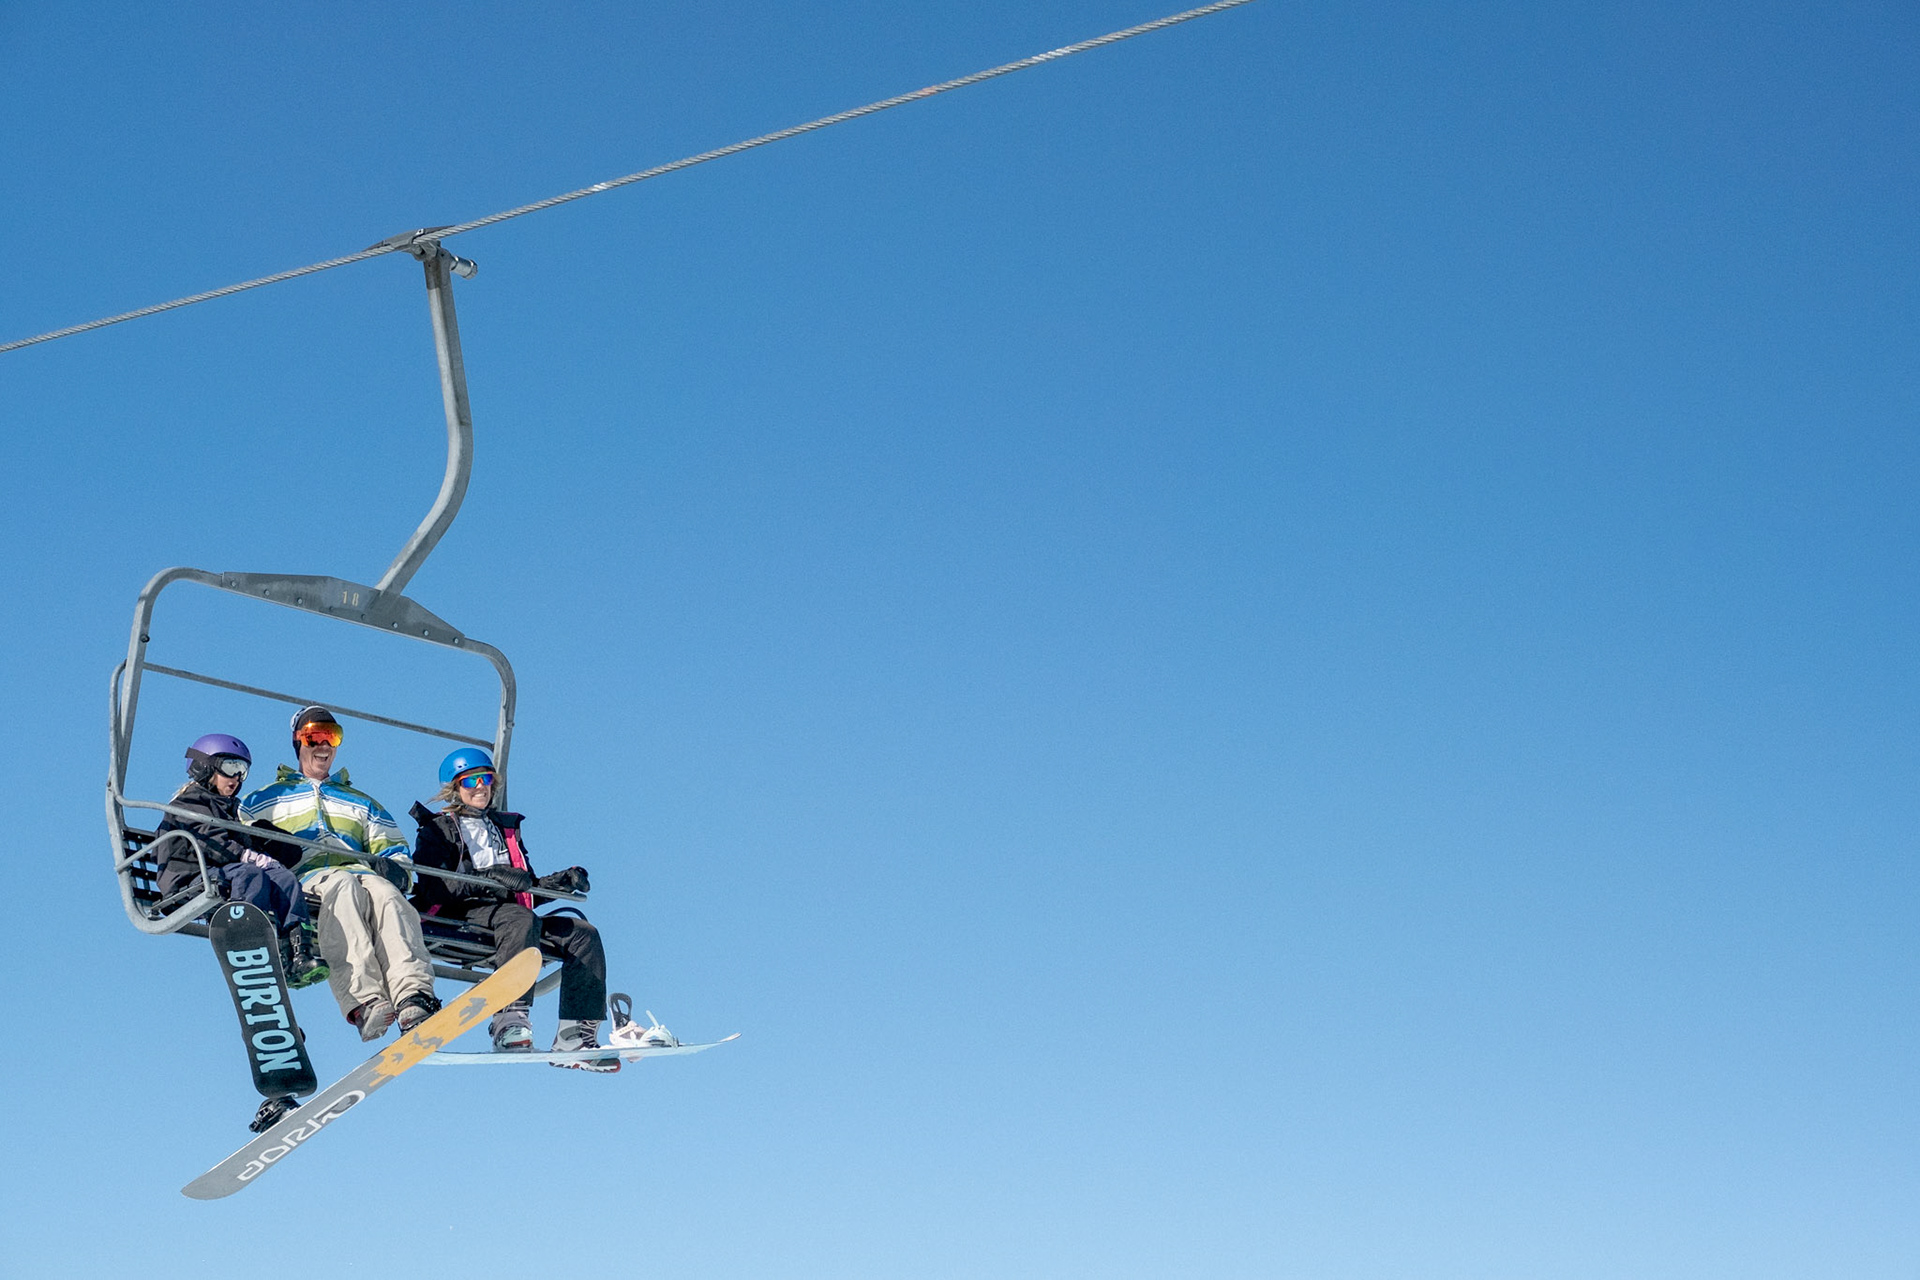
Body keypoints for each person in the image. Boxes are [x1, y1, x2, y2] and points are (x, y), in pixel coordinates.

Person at [409, 747, 655, 1070]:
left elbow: (525, 889)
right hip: (459, 913)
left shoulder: (503, 829)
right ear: (455, 788)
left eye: (486, 779)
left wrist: (559, 883)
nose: (481, 787)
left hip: (511, 917)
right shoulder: (437, 830)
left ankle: (575, 1035)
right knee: (519, 918)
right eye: (470, 781)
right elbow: (435, 886)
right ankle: (509, 1019)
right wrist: (489, 878)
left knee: (582, 933)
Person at [241, 706, 441, 1041]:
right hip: (305, 877)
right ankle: (365, 1000)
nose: (323, 745)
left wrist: (394, 871)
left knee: (388, 896)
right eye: (314, 736)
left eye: (332, 737)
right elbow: (241, 840)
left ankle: (412, 996)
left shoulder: (361, 802)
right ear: (298, 742)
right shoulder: (264, 799)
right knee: (342, 887)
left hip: (361, 873)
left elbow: (394, 850)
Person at [154, 733, 328, 988]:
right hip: (189, 879)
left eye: (242, 771)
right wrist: (249, 856)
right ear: (205, 767)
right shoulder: (188, 804)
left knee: (285, 878)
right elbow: (211, 841)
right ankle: (248, 943)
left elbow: (238, 846)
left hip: (223, 874)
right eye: (230, 767)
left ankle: (297, 954)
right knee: (250, 874)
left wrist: (268, 843)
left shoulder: (228, 809)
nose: (236, 777)